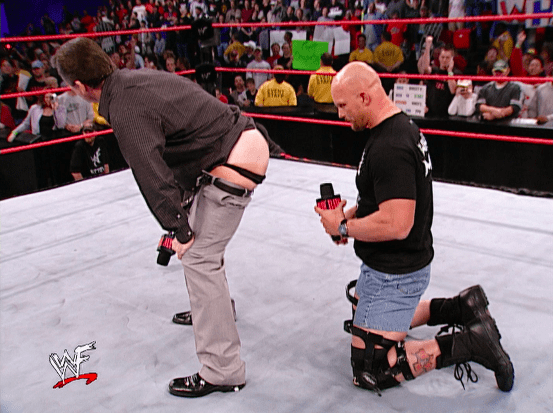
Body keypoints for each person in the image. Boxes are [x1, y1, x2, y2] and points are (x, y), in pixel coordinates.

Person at [52, 37, 271, 398]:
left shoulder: (123, 106)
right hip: (230, 145)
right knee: (203, 246)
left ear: (78, 86)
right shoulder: (134, 80)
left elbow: (151, 174)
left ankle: (223, 370)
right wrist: (181, 218)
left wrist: (178, 228)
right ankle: (215, 310)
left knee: (198, 256)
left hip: (232, 158)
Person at [314, 61, 514, 396]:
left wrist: (345, 227)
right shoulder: (397, 127)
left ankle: (471, 343)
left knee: (372, 367)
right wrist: (346, 217)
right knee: (359, 313)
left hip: (396, 272)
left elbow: (397, 223)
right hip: (395, 265)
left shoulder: (389, 146)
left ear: (363, 96)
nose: (339, 114)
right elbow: (379, 199)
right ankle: (461, 306)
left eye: (342, 105)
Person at [417, 36, 459, 118]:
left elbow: (453, 90)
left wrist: (449, 71)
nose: (444, 60)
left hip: (447, 115)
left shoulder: (455, 73)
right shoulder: (434, 70)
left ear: (452, 59)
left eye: (447, 58)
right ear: (439, 58)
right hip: (430, 112)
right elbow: (425, 68)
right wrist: (428, 47)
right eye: (442, 57)